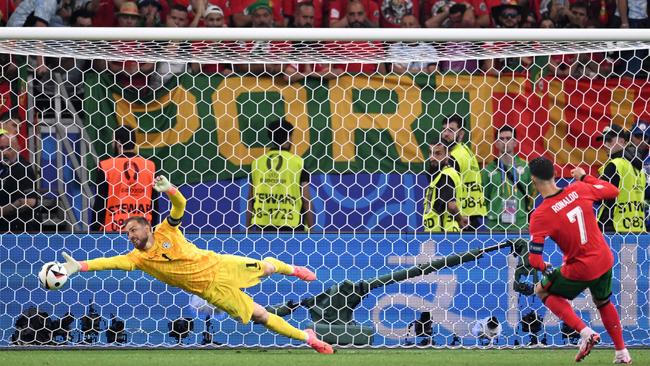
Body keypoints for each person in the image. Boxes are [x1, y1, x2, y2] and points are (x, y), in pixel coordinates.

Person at [59, 175, 334, 354]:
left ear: (147, 228)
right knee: (260, 316)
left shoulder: (167, 230)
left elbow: (180, 206)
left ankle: (292, 269)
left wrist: (170, 190)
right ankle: (307, 337)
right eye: (127, 232)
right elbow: (107, 263)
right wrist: (78, 267)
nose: (129, 235)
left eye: (133, 230)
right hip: (212, 291)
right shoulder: (137, 259)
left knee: (268, 268)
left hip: (221, 265)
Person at [527, 156, 632, 364]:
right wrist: (585, 177)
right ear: (555, 174)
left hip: (581, 268)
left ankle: (585, 333)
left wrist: (543, 266)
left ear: (533, 180)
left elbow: (534, 259)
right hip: (604, 259)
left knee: (541, 289)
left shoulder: (540, 215)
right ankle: (622, 352)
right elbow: (613, 191)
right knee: (602, 301)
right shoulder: (580, 189)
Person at [247, 119, 314, 232]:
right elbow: (306, 199)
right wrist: (312, 229)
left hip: (263, 225)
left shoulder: (257, 163)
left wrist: (248, 228)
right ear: (288, 138)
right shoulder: (298, 163)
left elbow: (250, 198)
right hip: (292, 225)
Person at [91, 126, 158, 232]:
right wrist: (153, 230)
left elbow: (100, 204)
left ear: (118, 142)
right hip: (143, 231)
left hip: (113, 231)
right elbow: (154, 203)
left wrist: (93, 231)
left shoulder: (106, 166)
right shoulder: (150, 166)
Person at [482, 126, 533, 231]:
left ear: (515, 142)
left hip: (519, 224)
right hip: (495, 225)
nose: (505, 141)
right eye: (501, 139)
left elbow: (531, 194)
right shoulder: (488, 170)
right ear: (496, 143)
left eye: (509, 138)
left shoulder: (526, 167)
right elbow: (484, 197)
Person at [596, 124, 646, 233]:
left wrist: (584, 178)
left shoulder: (615, 165)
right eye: (604, 140)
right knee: (629, 251)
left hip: (612, 229)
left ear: (622, 141)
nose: (605, 144)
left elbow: (598, 196)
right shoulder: (639, 168)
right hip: (637, 229)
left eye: (609, 140)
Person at [440, 115, 486, 229]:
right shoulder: (466, 151)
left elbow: (448, 193)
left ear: (461, 134)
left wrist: (459, 218)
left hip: (459, 219)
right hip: (471, 215)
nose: (445, 134)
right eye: (444, 129)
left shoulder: (453, 157)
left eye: (451, 130)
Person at [422, 140, 468, 232]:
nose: (432, 157)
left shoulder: (446, 175)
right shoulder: (439, 175)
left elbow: (451, 205)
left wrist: (460, 220)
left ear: (448, 155)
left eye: (437, 153)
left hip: (444, 234)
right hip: (434, 232)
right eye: (430, 153)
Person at [0, 128, 39, 233]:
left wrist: (2, 211)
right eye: (1, 148)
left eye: (8, 148)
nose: (4, 152)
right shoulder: (4, 168)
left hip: (20, 232)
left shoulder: (23, 169)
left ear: (18, 148)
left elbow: (29, 201)